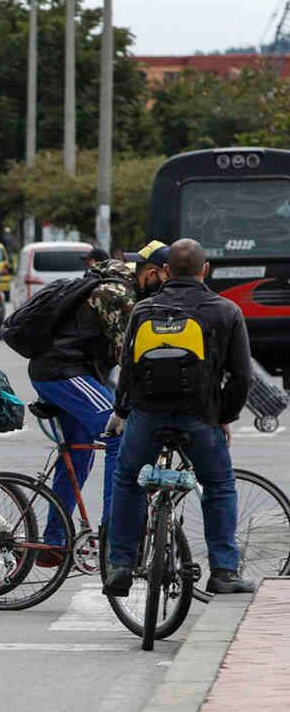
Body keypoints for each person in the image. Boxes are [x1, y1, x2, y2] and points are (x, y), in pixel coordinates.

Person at [104, 239, 256, 596]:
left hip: (147, 415)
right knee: (218, 485)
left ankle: (121, 565)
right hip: (200, 416)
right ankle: (223, 570)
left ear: (167, 271)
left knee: (128, 480)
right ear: (205, 270)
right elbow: (242, 377)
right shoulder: (225, 310)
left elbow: (127, 370)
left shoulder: (144, 310)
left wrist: (122, 411)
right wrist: (223, 415)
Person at [28, 258, 135, 563]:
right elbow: (126, 356)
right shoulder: (116, 293)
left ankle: (53, 543)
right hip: (65, 372)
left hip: (61, 371)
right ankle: (113, 537)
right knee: (119, 432)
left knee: (78, 453)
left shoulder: (99, 287)